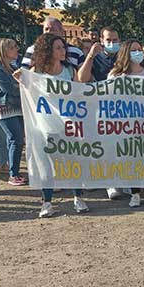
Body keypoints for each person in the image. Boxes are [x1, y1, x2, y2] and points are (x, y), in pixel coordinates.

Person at [29, 34, 90, 217]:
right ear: (47, 51)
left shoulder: (69, 70)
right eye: (58, 48)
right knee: (46, 166)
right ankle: (47, 202)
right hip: (46, 126)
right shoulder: (36, 72)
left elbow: (80, 91)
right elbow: (27, 92)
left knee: (73, 162)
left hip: (69, 125)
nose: (63, 51)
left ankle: (78, 197)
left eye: (63, 47)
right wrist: (20, 80)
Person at [107, 41, 144, 207]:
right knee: (132, 158)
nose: (138, 53)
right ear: (125, 53)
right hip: (126, 125)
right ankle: (135, 193)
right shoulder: (116, 75)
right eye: (133, 50)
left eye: (139, 50)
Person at [0, 38, 25, 186]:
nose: (17, 49)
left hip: (14, 107)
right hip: (4, 109)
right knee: (16, 138)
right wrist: (21, 83)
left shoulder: (10, 66)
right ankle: (13, 175)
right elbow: (11, 90)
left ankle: (14, 171)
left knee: (15, 139)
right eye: (13, 47)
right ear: (3, 51)